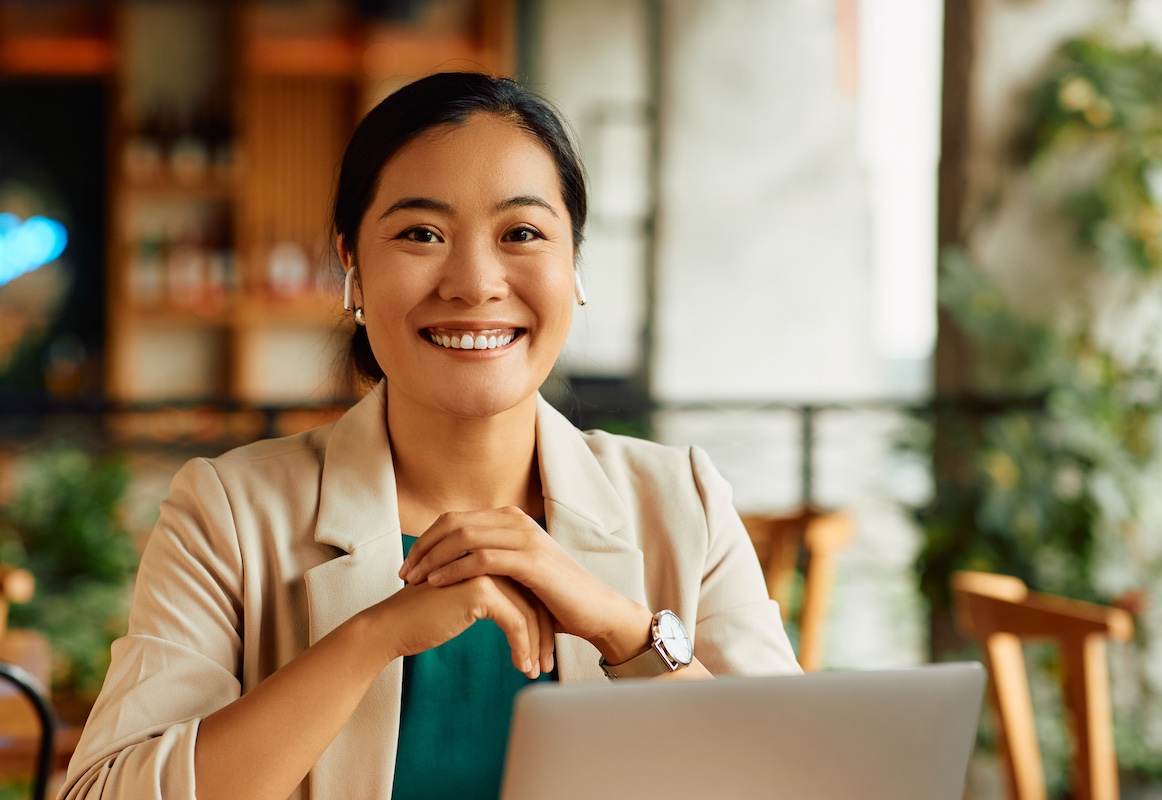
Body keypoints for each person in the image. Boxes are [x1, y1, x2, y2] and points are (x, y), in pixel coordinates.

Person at [58, 72, 799, 800]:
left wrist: (624, 631)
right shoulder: (227, 512)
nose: (474, 282)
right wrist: (368, 640)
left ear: (574, 261)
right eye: (421, 233)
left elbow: (800, 780)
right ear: (352, 263)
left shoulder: (683, 501)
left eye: (522, 233)